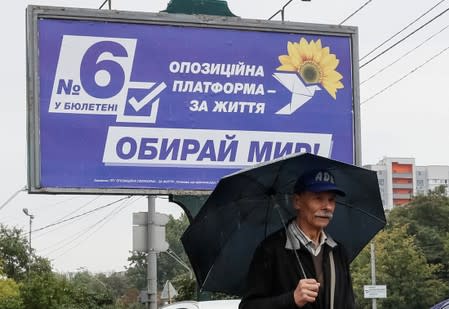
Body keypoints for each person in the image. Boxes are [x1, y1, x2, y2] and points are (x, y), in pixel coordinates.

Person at [239, 169, 355, 309]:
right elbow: (248, 306)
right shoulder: (270, 249)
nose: (327, 207)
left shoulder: (337, 251)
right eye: (318, 198)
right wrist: (292, 299)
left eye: (331, 200)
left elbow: (348, 303)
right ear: (297, 202)